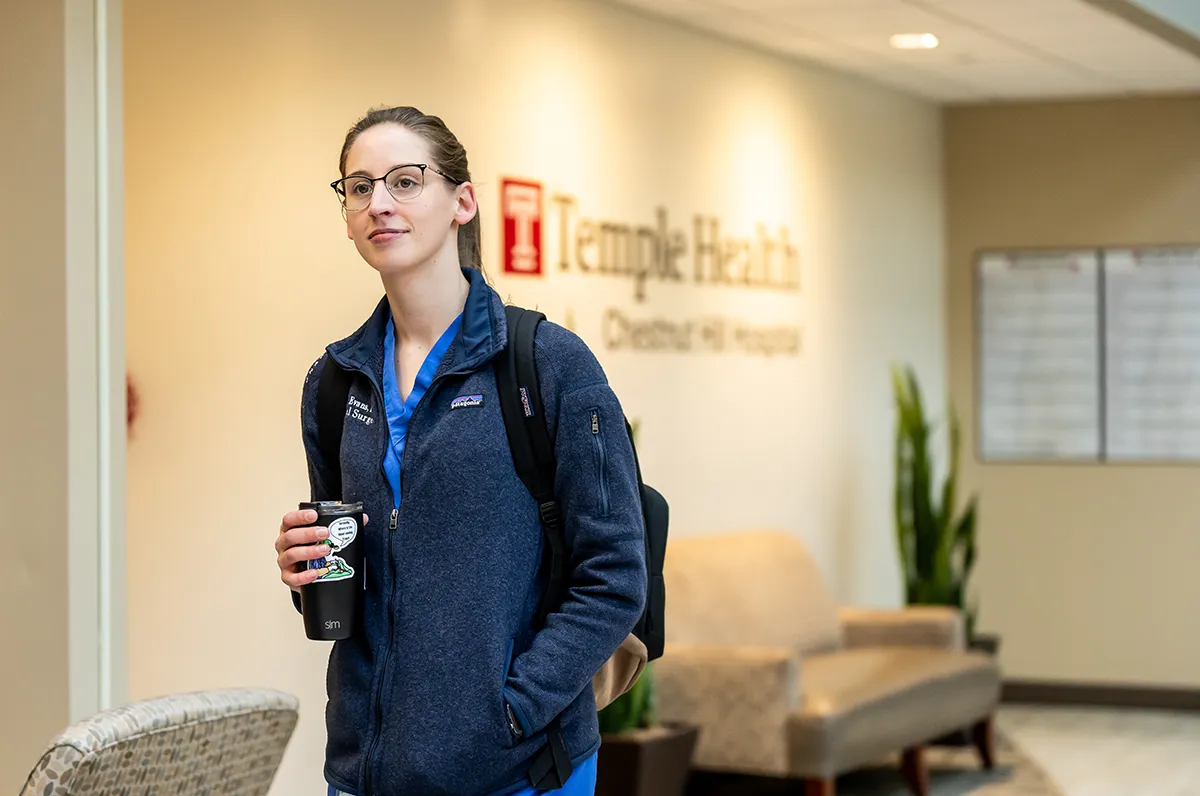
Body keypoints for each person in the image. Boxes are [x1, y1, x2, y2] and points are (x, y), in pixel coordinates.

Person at [273, 105, 647, 796]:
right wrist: (308, 575)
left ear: (461, 202)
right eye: (359, 187)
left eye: (405, 181)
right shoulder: (333, 383)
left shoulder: (548, 366)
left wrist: (511, 712)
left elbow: (616, 574)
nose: (379, 203)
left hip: (518, 772)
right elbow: (356, 585)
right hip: (365, 772)